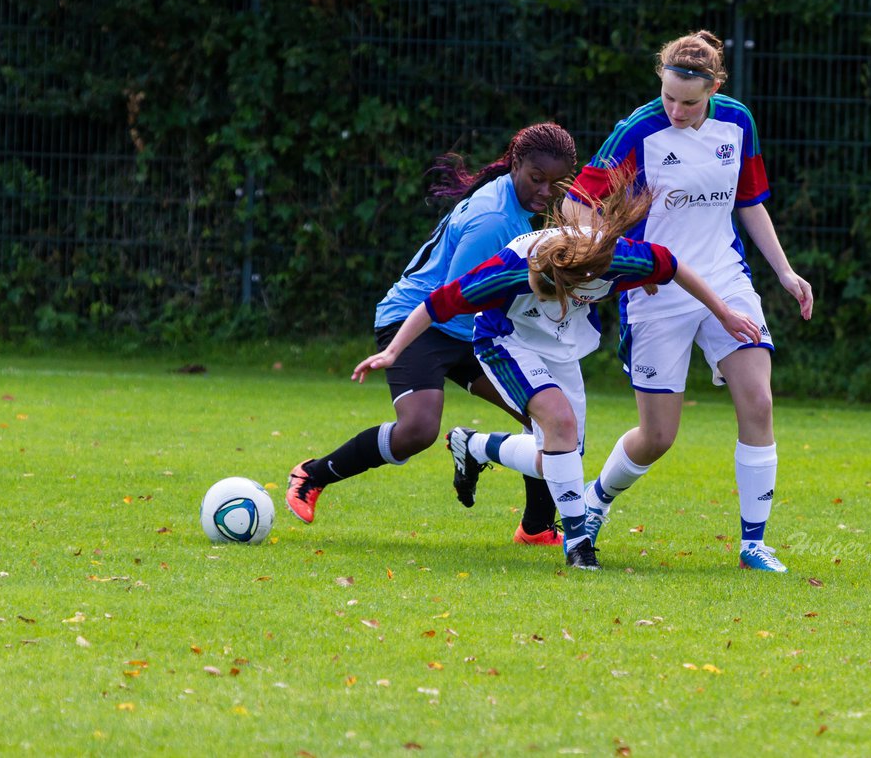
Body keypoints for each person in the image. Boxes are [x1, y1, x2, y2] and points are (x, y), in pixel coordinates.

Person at [352, 181, 762, 571]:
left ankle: (475, 446)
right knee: (560, 424)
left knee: (560, 460)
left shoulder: (618, 257)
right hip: (506, 343)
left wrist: (724, 313)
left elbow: (673, 266)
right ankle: (579, 545)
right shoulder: (509, 269)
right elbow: (436, 304)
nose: (554, 302)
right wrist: (392, 351)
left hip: (562, 349)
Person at [564, 30, 813, 573]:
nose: (675, 110)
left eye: (689, 101)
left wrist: (785, 271)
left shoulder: (738, 122)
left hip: (725, 278)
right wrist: (615, 258)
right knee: (658, 437)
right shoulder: (638, 129)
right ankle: (596, 499)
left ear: (715, 88)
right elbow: (577, 202)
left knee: (759, 402)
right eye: (668, 96)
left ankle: (753, 544)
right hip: (656, 292)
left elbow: (749, 202)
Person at [285, 123, 578, 546]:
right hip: (419, 320)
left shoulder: (511, 199)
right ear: (516, 164)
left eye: (556, 182)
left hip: (471, 328)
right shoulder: (495, 221)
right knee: (418, 429)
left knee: (543, 416)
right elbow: (456, 297)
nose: (547, 191)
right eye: (537, 178)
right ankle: (312, 474)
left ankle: (535, 527)